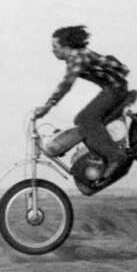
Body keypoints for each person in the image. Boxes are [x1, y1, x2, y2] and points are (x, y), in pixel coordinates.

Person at [33, 25, 130, 183]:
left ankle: (115, 156)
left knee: (86, 119)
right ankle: (100, 155)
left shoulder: (76, 57)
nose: (53, 51)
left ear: (66, 47)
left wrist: (47, 107)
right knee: (81, 120)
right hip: (112, 87)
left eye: (55, 47)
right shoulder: (76, 56)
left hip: (115, 88)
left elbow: (66, 84)